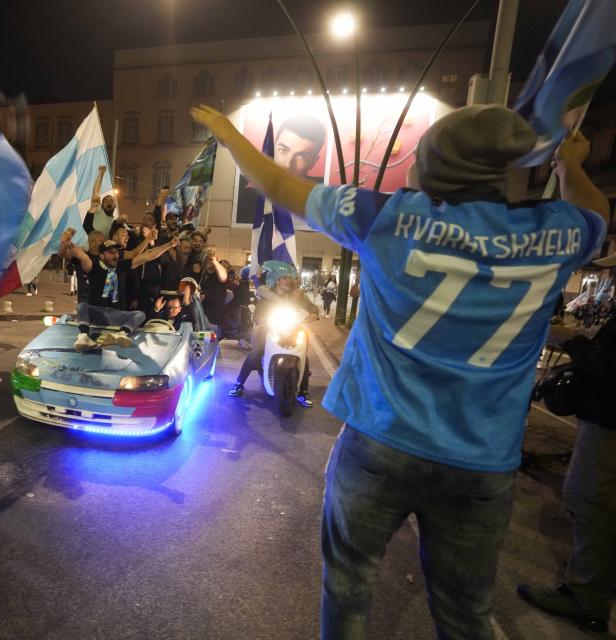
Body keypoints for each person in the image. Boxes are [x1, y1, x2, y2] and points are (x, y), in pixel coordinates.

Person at [192, 101, 610, 639]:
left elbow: (278, 183)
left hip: (380, 437)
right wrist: (569, 167)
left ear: (438, 165)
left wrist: (229, 132)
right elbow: (596, 214)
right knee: (464, 612)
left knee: (348, 584)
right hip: (482, 457)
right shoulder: (553, 231)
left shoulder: (388, 215)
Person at [518, 268, 616, 633]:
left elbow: (610, 366)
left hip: (608, 424)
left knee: (590, 502)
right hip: (605, 421)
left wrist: (573, 340)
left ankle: (585, 597)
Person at [61, 236, 178, 351]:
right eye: (111, 252)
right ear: (101, 255)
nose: (116, 256)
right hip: (96, 313)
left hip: (115, 315)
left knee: (140, 314)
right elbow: (81, 255)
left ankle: (121, 334)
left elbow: (148, 256)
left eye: (117, 253)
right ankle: (83, 337)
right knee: (82, 306)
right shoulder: (93, 265)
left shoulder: (122, 266)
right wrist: (69, 243)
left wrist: (169, 245)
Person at [228, 266, 319, 406]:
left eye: (290, 278)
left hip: (291, 329)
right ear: (277, 280)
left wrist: (314, 314)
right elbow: (257, 314)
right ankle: (239, 383)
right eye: (285, 278)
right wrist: (260, 319)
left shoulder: (297, 294)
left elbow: (311, 307)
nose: (288, 280)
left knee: (303, 353)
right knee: (257, 352)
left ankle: (303, 391)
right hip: (268, 329)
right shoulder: (267, 295)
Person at [199, 247, 229, 336]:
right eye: (208, 260)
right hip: (200, 316)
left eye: (212, 260)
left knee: (210, 343)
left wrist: (215, 261)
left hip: (212, 319)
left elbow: (224, 277)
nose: (210, 262)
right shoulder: (201, 274)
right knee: (200, 342)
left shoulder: (218, 275)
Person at [82, 165, 116, 237]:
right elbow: (96, 192)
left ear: (115, 205)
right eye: (106, 201)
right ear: (101, 205)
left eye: (111, 201)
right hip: (91, 247)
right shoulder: (99, 210)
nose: (109, 202)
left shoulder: (114, 222)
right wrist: (101, 174)